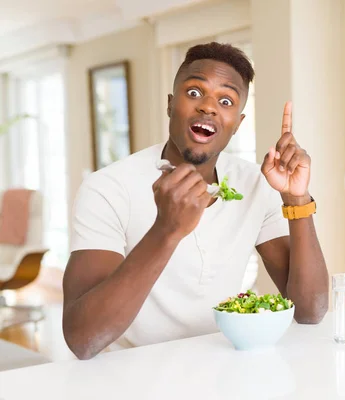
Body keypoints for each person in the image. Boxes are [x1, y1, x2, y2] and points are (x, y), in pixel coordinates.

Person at [62, 42, 329, 360]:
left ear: (237, 124)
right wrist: (167, 230)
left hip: (223, 369)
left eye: (226, 100)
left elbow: (310, 311)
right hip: (131, 376)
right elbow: (82, 338)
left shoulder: (255, 183)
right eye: (194, 93)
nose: (208, 107)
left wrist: (296, 198)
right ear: (170, 105)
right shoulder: (107, 189)